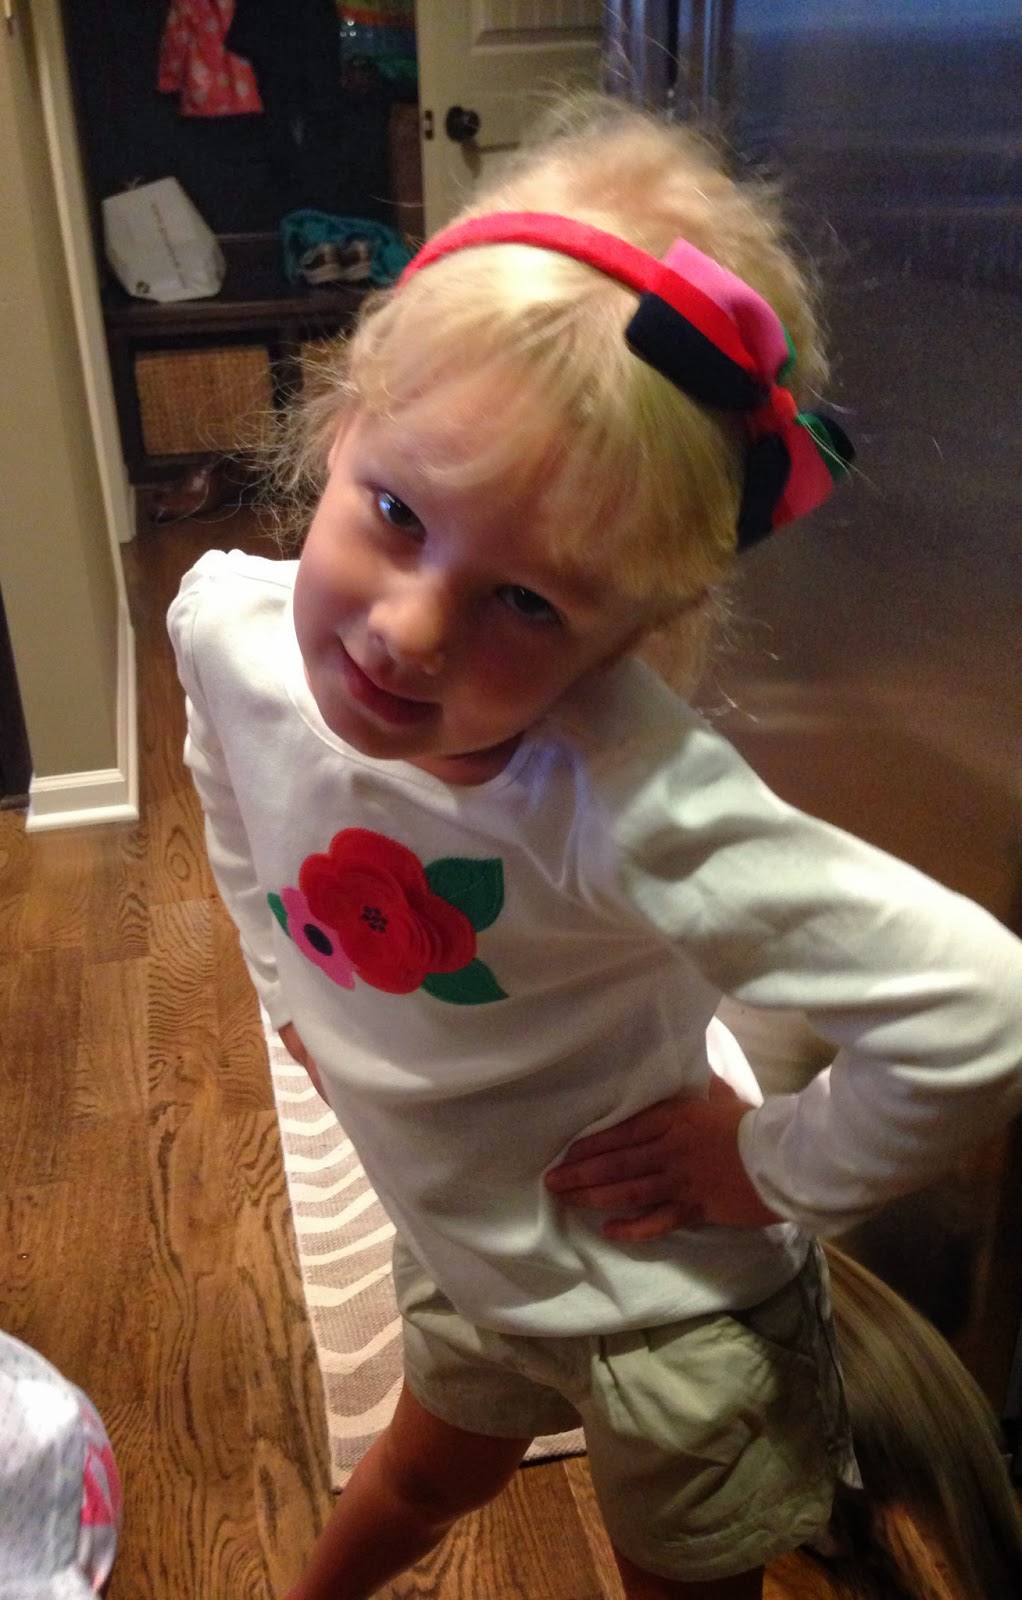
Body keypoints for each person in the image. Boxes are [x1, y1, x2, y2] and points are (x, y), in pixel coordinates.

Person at [168, 98, 1022, 1599]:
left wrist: (766, 1167)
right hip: (463, 1236)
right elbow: (230, 789)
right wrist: (287, 985)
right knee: (421, 1471)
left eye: (528, 602)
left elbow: (978, 1011)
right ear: (343, 418)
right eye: (395, 511)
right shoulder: (227, 627)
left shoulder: (626, 800)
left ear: (633, 634)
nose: (406, 633)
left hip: (666, 1313)